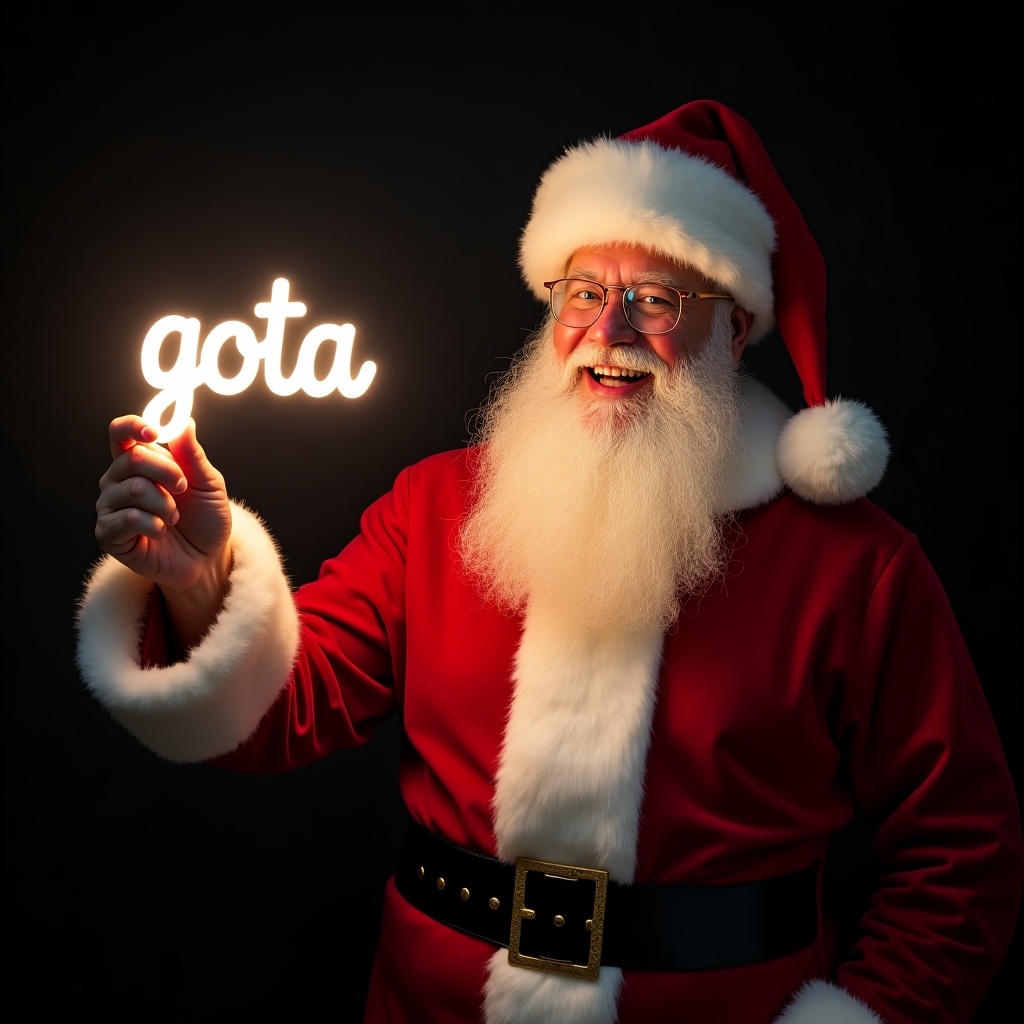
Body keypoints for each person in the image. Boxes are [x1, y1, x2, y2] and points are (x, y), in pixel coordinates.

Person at [75, 99, 1021, 1024]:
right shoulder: (437, 506)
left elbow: (962, 850)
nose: (609, 335)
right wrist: (198, 578)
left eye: (656, 299)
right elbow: (285, 709)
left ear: (734, 329)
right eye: (584, 292)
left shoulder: (857, 569)